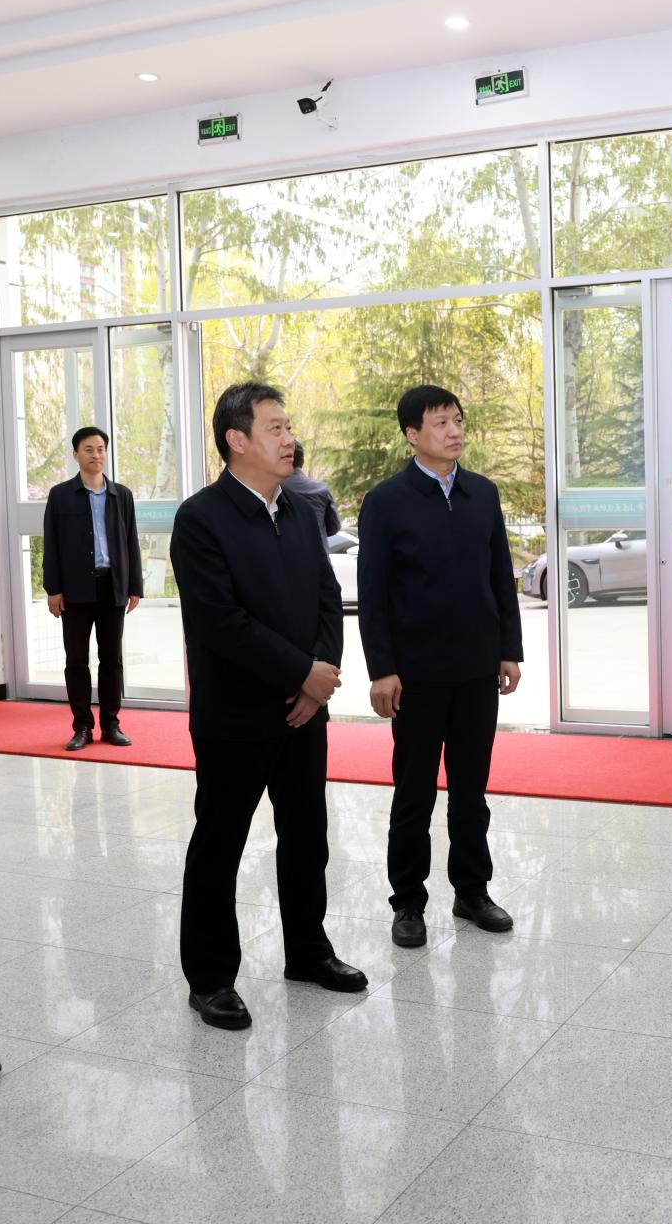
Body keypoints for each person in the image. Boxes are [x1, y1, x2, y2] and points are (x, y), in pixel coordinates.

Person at [170, 380, 368, 1031]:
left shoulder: (303, 511)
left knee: (307, 836)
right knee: (220, 845)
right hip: (236, 715)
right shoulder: (201, 519)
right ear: (237, 440)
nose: (290, 438)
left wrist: (318, 677)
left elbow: (327, 600)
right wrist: (301, 673)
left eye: (288, 426)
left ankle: (308, 952)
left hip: (304, 713)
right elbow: (221, 623)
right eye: (275, 428)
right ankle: (210, 979)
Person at [357, 384, 522, 948]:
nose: (453, 431)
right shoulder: (386, 501)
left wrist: (509, 649)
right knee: (414, 794)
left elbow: (500, 577)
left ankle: (472, 891)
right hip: (417, 675)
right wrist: (382, 668)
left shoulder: (483, 493)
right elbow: (373, 593)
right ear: (412, 435)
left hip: (477, 669)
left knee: (471, 791)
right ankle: (407, 902)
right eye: (440, 423)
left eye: (457, 420)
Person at [42, 427, 142, 750]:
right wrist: (53, 589)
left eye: (101, 449)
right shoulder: (60, 495)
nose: (96, 455)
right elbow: (52, 545)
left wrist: (134, 586)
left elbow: (131, 541)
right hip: (75, 590)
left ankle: (111, 725)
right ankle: (82, 727)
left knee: (112, 660)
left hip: (112, 586)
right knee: (76, 661)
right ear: (76, 455)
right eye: (89, 449)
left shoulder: (121, 495)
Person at [284, 440, 343, 537]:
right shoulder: (322, 489)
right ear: (303, 460)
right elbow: (334, 527)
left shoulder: (273, 491)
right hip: (318, 545)